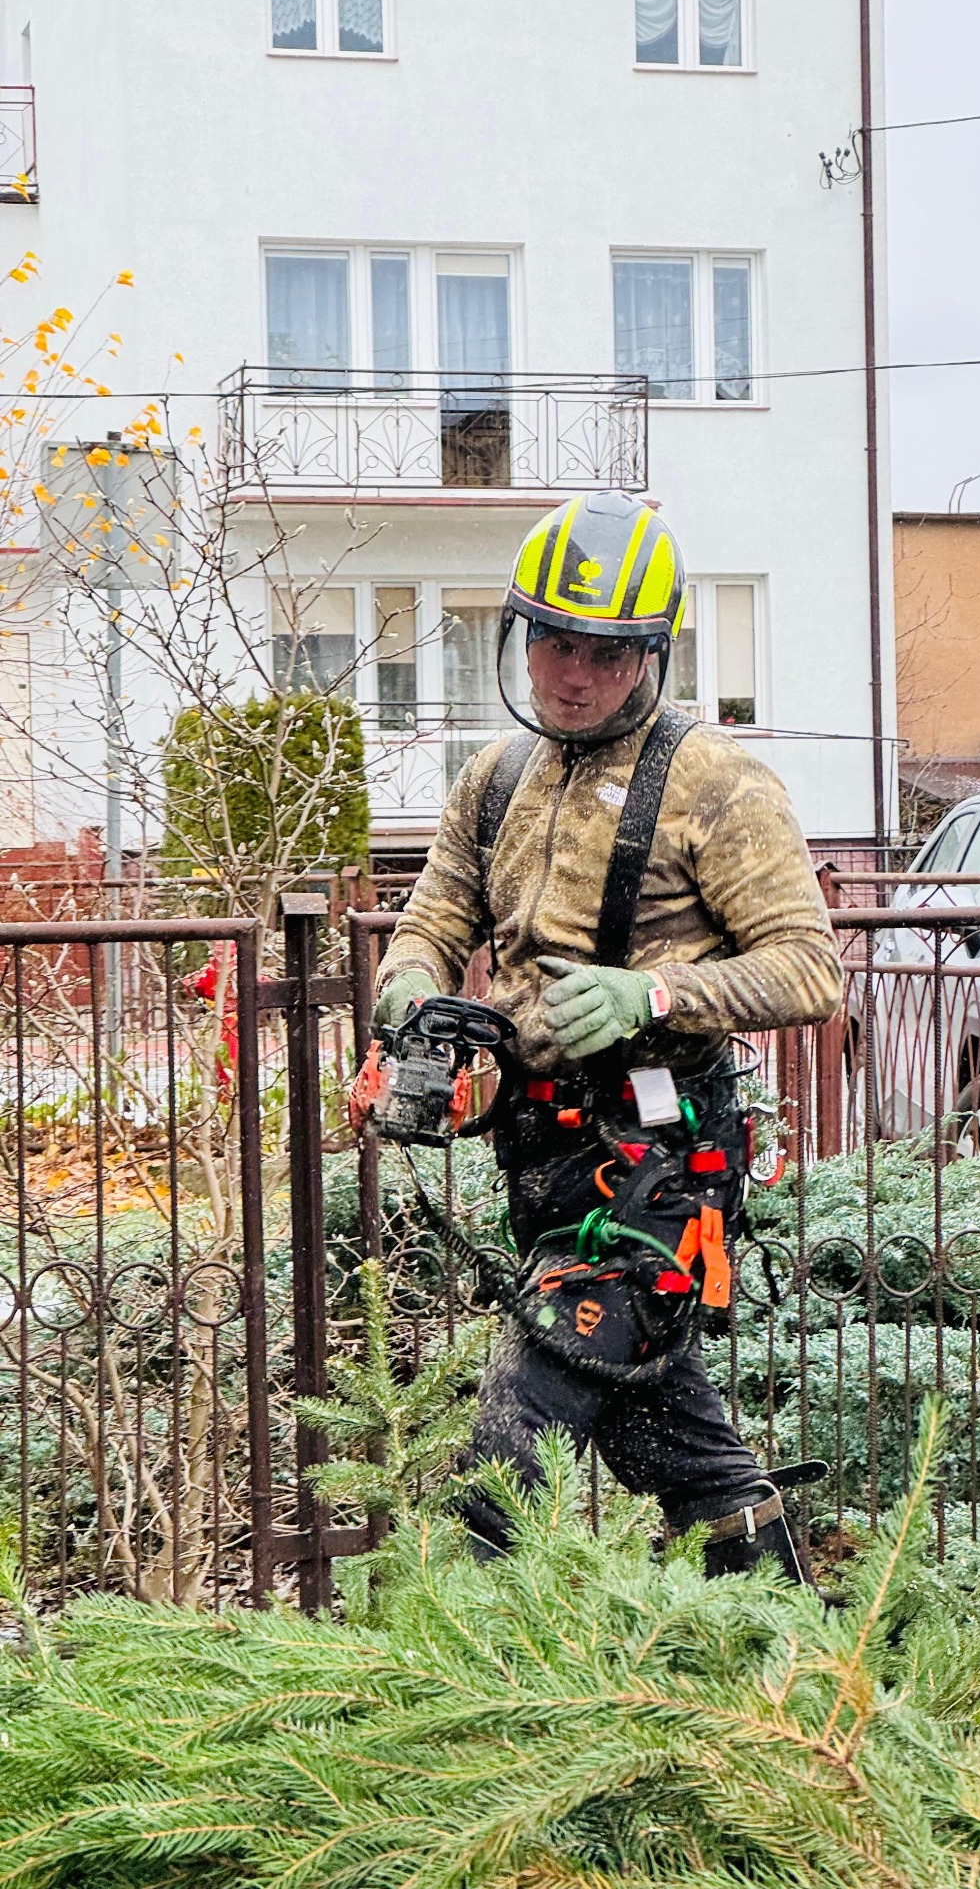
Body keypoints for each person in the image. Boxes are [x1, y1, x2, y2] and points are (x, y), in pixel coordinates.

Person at [370, 490, 844, 1581]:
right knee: (670, 1444)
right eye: (553, 641)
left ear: (649, 655)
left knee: (506, 1454)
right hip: (544, 1166)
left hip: (657, 1170)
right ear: (519, 636)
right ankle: (790, 1645)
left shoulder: (718, 784)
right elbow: (434, 922)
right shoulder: (493, 782)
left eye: (603, 650)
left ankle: (439, 1677)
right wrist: (411, 998)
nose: (571, 671)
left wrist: (654, 996)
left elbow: (811, 967)